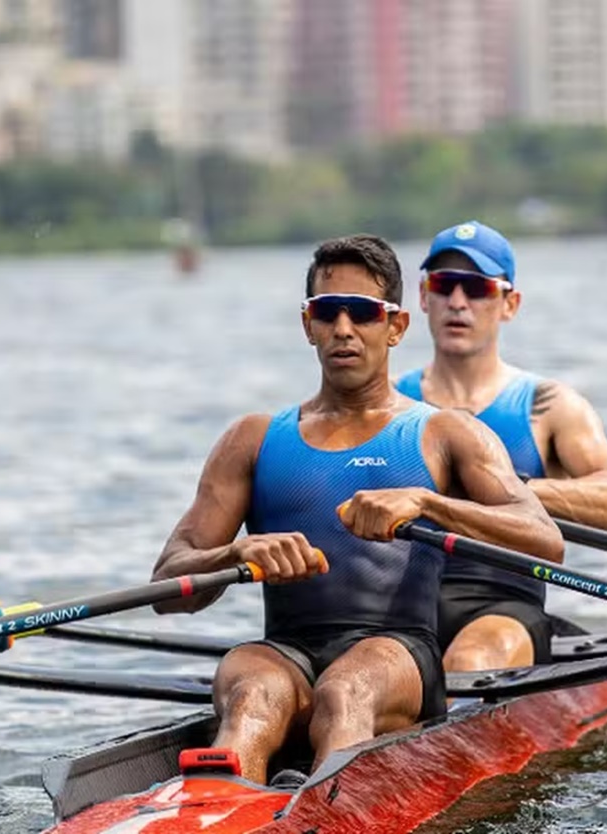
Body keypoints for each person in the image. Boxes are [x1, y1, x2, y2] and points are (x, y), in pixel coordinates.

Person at [151, 233, 563, 785]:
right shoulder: (250, 439)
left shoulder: (446, 433)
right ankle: (221, 809)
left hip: (397, 655)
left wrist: (428, 503)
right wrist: (234, 550)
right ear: (308, 325)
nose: (343, 328)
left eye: (363, 313)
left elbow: (543, 540)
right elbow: (168, 587)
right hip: (285, 651)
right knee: (250, 696)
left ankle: (327, 807)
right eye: (327, 312)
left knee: (345, 693)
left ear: (395, 327)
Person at [396, 220, 607, 674]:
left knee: (470, 659)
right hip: (398, 612)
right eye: (444, 284)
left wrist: (501, 488)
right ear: (422, 297)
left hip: (502, 610)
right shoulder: (388, 403)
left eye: (476, 288)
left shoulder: (548, 407)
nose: (457, 302)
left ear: (509, 304)